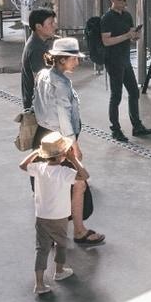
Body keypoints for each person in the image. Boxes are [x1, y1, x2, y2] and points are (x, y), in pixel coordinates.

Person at [33, 37, 104, 247]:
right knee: (78, 182)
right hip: (60, 139)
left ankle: (53, 233)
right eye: (73, 58)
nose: (77, 62)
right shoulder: (62, 83)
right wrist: (74, 145)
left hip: (43, 134)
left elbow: (35, 103)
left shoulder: (43, 75)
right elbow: (64, 115)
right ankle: (79, 231)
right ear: (62, 59)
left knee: (51, 185)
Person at [19, 132, 87, 296]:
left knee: (41, 249)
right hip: (59, 217)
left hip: (41, 216)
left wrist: (35, 152)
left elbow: (22, 166)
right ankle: (59, 271)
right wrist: (74, 159)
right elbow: (85, 175)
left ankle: (39, 283)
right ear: (63, 155)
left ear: (45, 155)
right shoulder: (65, 172)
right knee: (61, 244)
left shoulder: (39, 168)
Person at [100, 0, 151, 143]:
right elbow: (106, 41)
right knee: (116, 96)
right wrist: (126, 35)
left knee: (134, 92)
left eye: (126, 0)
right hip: (114, 61)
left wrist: (135, 35)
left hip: (125, 60)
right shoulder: (107, 18)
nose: (124, 3)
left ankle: (137, 126)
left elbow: (131, 36)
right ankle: (115, 129)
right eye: (121, 0)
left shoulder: (127, 15)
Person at [20, 8, 58, 113]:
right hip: (40, 106)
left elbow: (50, 65)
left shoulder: (42, 42)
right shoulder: (36, 48)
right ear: (38, 27)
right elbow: (41, 82)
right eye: (51, 23)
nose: (54, 26)